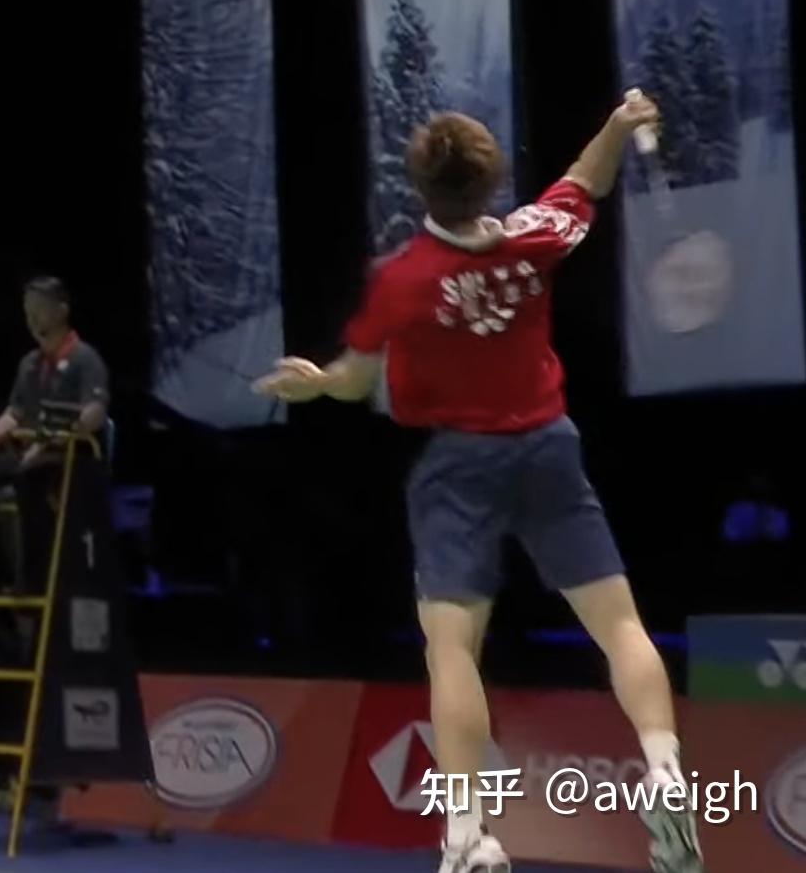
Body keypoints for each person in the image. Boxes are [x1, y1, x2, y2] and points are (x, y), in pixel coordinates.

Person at [254, 93, 703, 873]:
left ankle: (468, 837)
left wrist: (315, 382)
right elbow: (585, 180)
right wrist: (620, 124)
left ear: (421, 188)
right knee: (621, 627)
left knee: (453, 647)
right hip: (549, 448)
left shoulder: (400, 278)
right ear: (490, 182)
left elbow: (356, 381)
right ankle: (665, 774)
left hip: (460, 465)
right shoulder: (532, 239)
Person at [0, 277, 109, 593]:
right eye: (27, 310)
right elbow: (15, 413)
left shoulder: (85, 359)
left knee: (29, 475)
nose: (31, 318)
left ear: (61, 310)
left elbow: (95, 413)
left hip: (69, 456)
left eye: (39, 309)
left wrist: (55, 438)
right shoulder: (29, 364)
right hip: (29, 453)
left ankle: (33, 580)